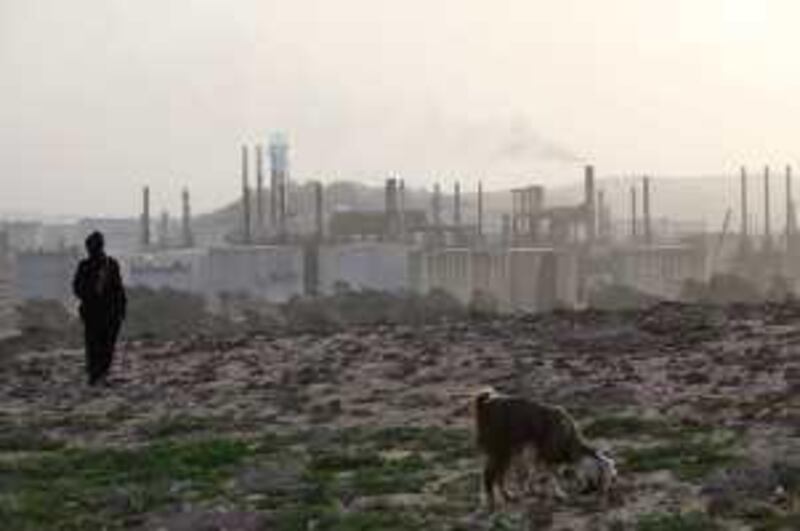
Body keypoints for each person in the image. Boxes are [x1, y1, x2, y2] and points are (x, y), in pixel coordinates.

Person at [72, 231, 127, 386]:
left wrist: (121, 309)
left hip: (107, 313)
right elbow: (78, 288)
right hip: (96, 313)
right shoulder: (86, 266)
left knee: (104, 346)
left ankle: (100, 375)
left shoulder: (110, 265)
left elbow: (118, 289)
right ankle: (96, 375)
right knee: (96, 345)